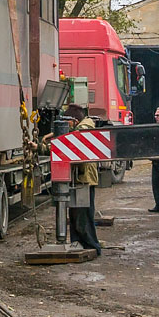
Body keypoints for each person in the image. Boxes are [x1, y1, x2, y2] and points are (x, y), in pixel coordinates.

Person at [63, 104, 101, 255]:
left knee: (82, 215)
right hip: (81, 178)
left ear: (75, 120)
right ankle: (78, 242)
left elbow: (71, 147)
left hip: (83, 179)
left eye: (68, 122)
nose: (66, 125)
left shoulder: (83, 130)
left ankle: (92, 246)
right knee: (76, 214)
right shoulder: (82, 128)